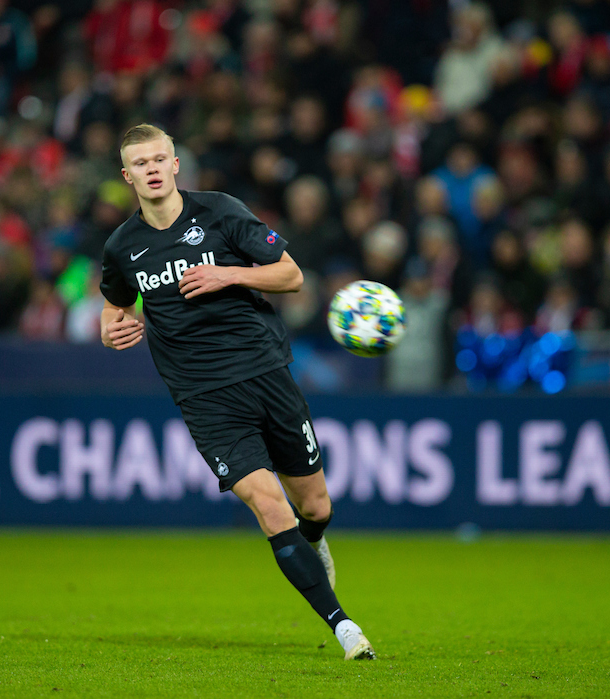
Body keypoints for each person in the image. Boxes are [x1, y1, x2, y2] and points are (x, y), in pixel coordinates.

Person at [99, 124, 375, 661]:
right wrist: (112, 330)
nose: (153, 169)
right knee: (269, 506)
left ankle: (314, 543)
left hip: (266, 374)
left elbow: (292, 276)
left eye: (161, 158)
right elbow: (115, 309)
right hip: (204, 397)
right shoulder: (122, 247)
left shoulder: (220, 212)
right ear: (127, 175)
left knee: (315, 506)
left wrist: (228, 275)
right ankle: (344, 627)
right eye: (141, 163)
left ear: (176, 164)